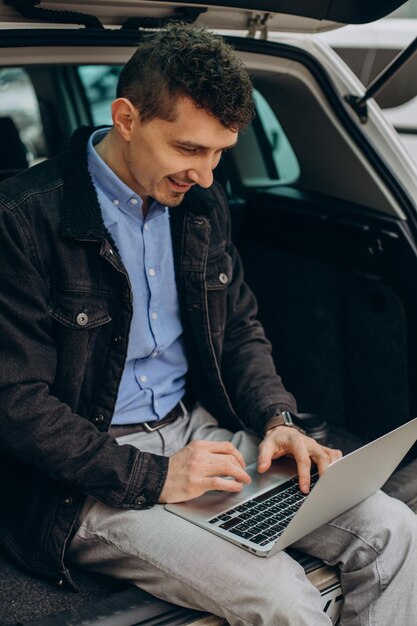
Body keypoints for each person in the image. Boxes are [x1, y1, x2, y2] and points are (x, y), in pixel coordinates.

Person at [0, 23, 416, 626]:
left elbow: (239, 328)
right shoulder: (21, 221)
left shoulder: (198, 206)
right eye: (190, 149)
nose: (207, 174)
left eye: (220, 152)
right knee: (282, 594)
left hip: (201, 434)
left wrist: (277, 419)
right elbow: (16, 403)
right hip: (85, 475)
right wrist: (154, 476)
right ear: (126, 118)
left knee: (396, 531)